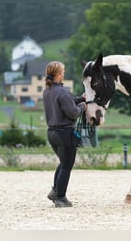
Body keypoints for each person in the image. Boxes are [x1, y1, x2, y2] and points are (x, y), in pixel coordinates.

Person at [43, 61, 87, 208]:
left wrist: (80, 98)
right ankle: (61, 198)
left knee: (63, 163)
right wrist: (82, 106)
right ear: (58, 74)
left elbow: (67, 102)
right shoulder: (62, 92)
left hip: (52, 133)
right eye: (63, 71)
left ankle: (55, 191)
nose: (64, 74)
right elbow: (73, 112)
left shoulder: (47, 91)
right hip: (65, 133)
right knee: (67, 165)